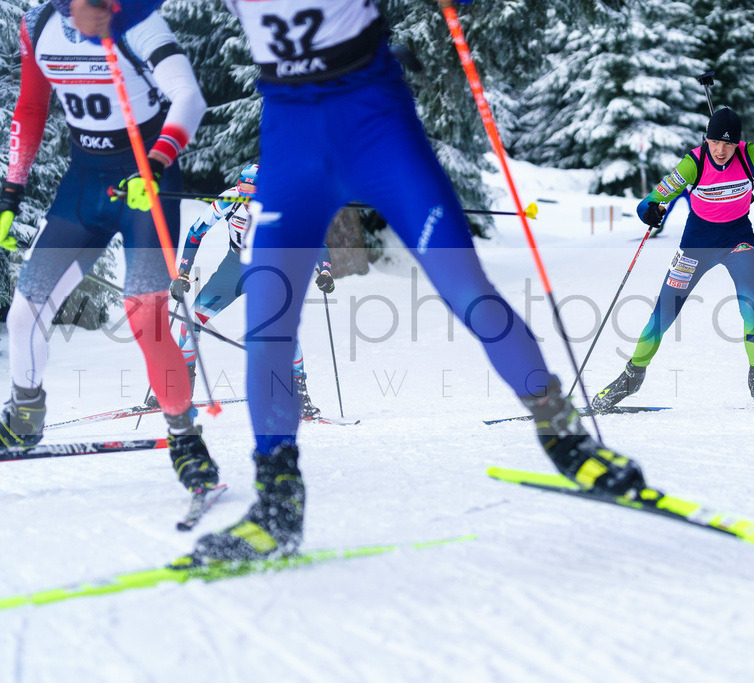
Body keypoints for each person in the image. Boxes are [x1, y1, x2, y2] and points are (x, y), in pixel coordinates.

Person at [71, 0, 646, 563]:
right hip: (293, 146)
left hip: (378, 128)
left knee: (467, 290)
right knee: (271, 317)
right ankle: (277, 503)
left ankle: (566, 438)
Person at [0, 0, 219, 496]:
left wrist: (159, 162)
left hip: (145, 177)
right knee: (25, 311)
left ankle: (186, 439)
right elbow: (32, 108)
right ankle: (25, 415)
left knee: (145, 316)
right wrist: (12, 190)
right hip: (84, 183)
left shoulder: (138, 23)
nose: (88, 13)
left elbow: (188, 97)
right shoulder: (38, 25)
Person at [592, 107, 754, 413]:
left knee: (750, 307)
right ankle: (632, 377)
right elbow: (651, 201)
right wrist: (650, 211)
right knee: (664, 310)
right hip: (696, 244)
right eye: (715, 142)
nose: (721, 150)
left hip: (738, 240)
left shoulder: (753, 155)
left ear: (737, 143)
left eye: (727, 144)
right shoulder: (693, 162)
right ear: (707, 139)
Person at [146, 164, 334, 419]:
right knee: (190, 322)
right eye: (241, 189)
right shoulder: (229, 200)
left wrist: (324, 271)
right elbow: (195, 232)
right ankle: (179, 394)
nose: (245, 197)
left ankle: (299, 397)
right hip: (233, 268)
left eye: (251, 192)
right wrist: (183, 274)